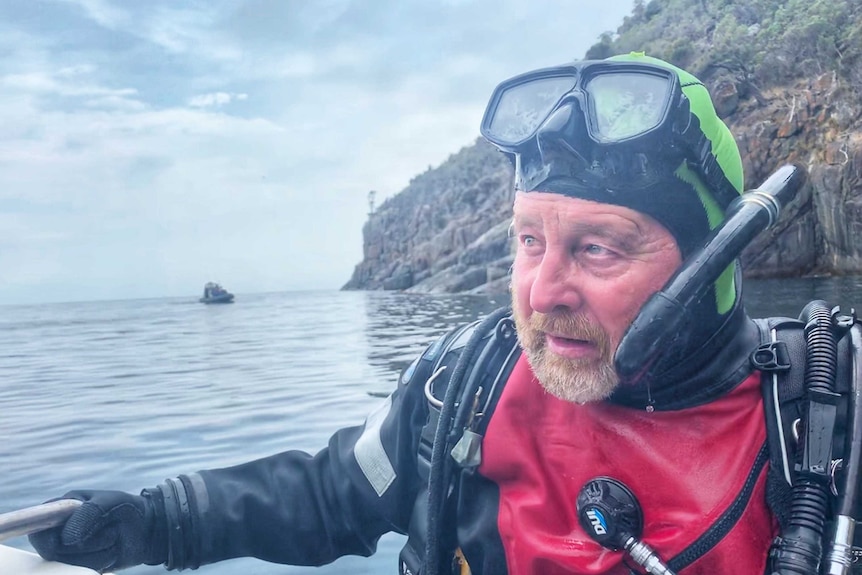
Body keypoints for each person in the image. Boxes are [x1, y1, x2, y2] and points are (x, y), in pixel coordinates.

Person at [28, 53, 852, 575]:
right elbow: (330, 495)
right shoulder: (468, 384)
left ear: (713, 260)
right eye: (530, 241)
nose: (542, 289)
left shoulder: (826, 421)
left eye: (598, 248)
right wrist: (160, 519)